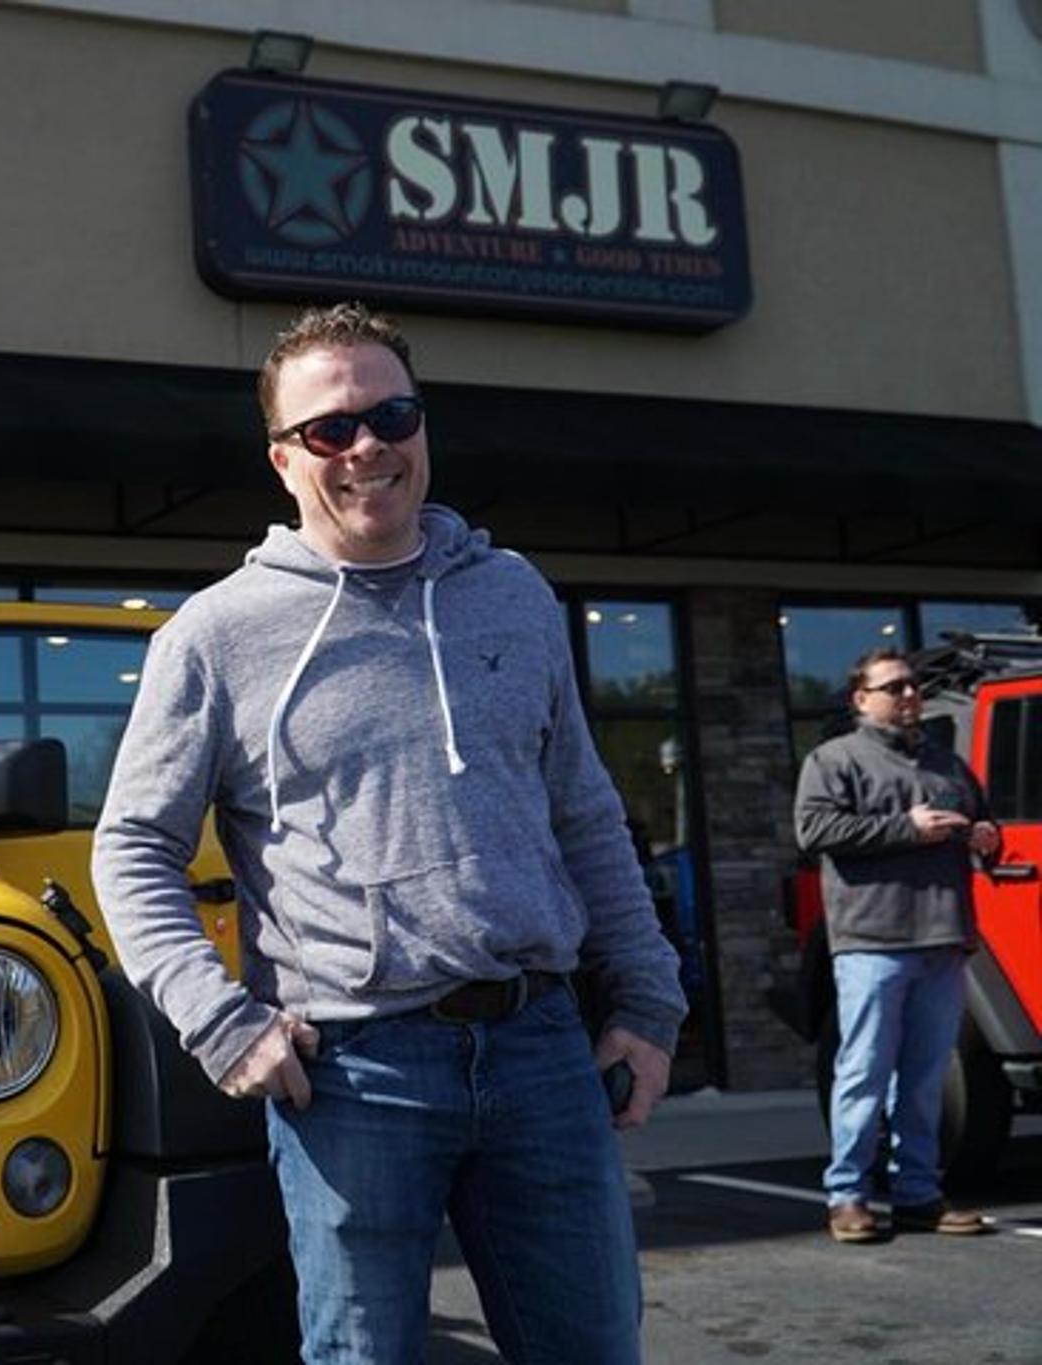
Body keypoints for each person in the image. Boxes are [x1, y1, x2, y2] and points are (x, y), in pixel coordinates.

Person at [91, 301, 686, 1364]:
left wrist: (647, 1000)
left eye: (392, 416)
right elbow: (132, 848)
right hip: (353, 1073)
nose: (367, 446)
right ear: (283, 461)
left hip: (541, 1049)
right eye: (330, 428)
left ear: (422, 428)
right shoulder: (217, 635)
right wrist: (219, 1024)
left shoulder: (512, 596)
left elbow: (584, 814)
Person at [794, 647, 995, 1243]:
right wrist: (908, 828)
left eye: (913, 686)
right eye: (894, 687)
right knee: (863, 1073)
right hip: (872, 942)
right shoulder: (834, 759)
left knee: (926, 1078)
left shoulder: (947, 764)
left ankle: (918, 1195)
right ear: (861, 699)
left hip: (944, 938)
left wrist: (985, 837)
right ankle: (847, 1196)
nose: (909, 695)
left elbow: (980, 825)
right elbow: (814, 830)